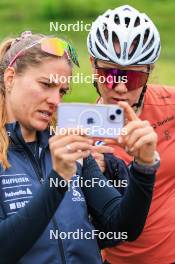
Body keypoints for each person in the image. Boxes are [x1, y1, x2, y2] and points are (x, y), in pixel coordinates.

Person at [0, 31, 159, 264]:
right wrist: (58, 180)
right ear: (10, 78)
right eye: (46, 84)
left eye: (62, 91)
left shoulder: (69, 147)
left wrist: (144, 167)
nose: (56, 100)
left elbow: (121, 226)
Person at [87, 4, 175, 264]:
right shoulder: (81, 130)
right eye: (110, 74)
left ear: (150, 71)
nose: (122, 88)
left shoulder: (170, 104)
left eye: (133, 77)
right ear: (93, 65)